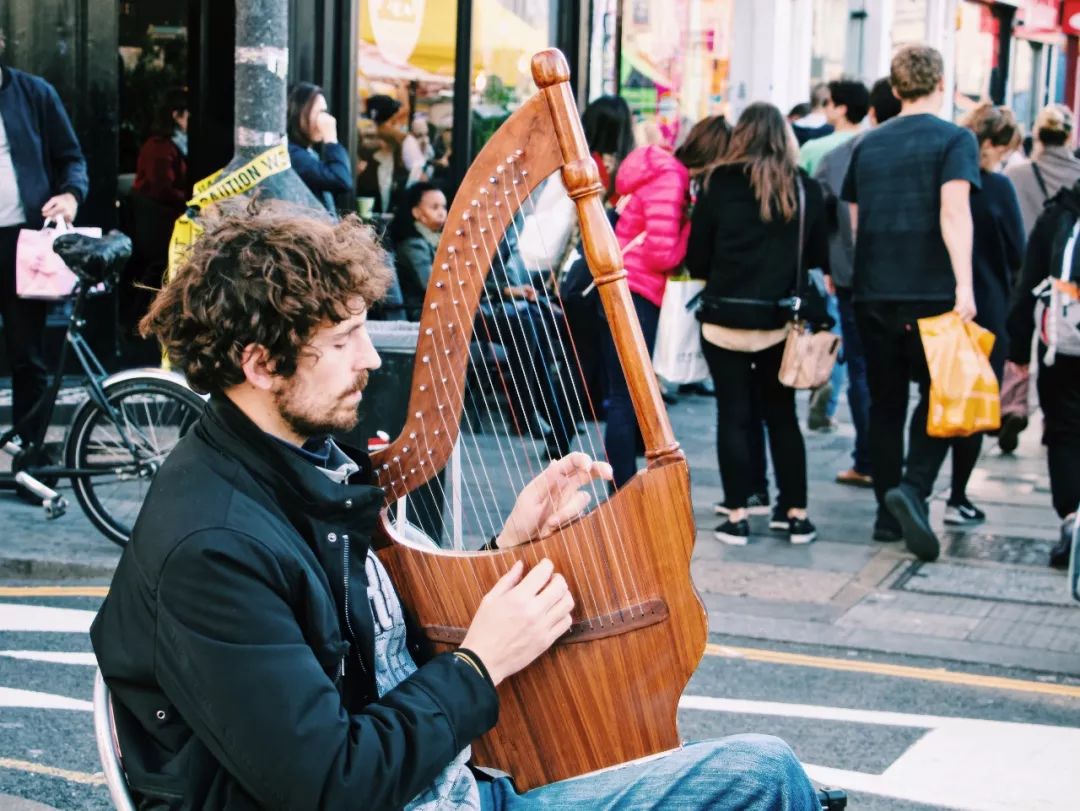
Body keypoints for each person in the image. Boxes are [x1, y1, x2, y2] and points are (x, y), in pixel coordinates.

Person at [89, 204, 820, 810]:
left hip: (454, 782)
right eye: (343, 340)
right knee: (764, 780)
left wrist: (509, 538)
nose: (371, 359)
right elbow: (328, 783)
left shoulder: (299, 462)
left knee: (768, 777)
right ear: (258, 362)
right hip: (414, 795)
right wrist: (479, 662)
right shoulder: (214, 548)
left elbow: (375, 652)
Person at [841, 44, 980, 561]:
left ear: (895, 90)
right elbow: (954, 212)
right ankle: (914, 488)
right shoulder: (955, 139)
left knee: (886, 404)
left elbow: (856, 223)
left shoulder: (868, 145)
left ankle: (885, 513)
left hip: (874, 292)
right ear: (941, 83)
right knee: (943, 397)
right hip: (932, 293)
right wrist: (964, 286)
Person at [688, 102, 829, 546]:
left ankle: (737, 513)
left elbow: (697, 261)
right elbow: (817, 258)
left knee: (733, 414)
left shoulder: (716, 183)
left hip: (723, 319)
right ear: (784, 137)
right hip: (779, 322)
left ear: (741, 135)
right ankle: (795, 513)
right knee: (781, 416)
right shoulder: (805, 188)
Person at [815, 77, 901, 488]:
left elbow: (823, 218)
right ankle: (896, 467)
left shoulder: (841, 155)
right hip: (909, 282)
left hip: (853, 279)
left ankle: (869, 460)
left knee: (864, 370)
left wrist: (829, 267)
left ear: (871, 111)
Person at [0, 51, 89, 443]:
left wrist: (70, 196)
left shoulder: (34, 93)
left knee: (28, 356)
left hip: (22, 243)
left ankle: (30, 455)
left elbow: (72, 159)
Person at [602, 132, 699, 486]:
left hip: (622, 290)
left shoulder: (652, 175)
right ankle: (623, 491)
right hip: (640, 293)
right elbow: (662, 255)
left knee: (623, 396)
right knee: (627, 398)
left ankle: (623, 486)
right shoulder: (671, 179)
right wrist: (689, 231)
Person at [945, 104, 1025, 526]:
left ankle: (916, 489)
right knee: (975, 407)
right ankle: (957, 495)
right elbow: (1018, 252)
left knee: (936, 399)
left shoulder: (947, 184)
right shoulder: (996, 188)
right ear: (991, 144)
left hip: (943, 304)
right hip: (988, 306)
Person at [1007, 180, 1080, 570]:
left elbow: (1027, 284)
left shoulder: (1057, 215)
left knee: (1064, 431)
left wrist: (1018, 351)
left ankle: (1072, 521)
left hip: (1061, 346)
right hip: (1060, 345)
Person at [1000, 104, 1080, 454]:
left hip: (1022, 269)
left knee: (1019, 341)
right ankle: (1054, 419)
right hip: (1064, 278)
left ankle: (1013, 405)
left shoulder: (1016, 175)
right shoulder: (1076, 176)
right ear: (1069, 136)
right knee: (1057, 341)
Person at [800, 79, 871, 434]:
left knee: (830, 329)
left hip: (831, 258)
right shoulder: (873, 144)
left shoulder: (818, 150)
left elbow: (809, 204)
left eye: (829, 102)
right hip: (869, 263)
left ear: (841, 108)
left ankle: (824, 392)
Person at [287, 82, 353, 215]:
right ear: (300, 113)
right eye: (320, 112)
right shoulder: (291, 154)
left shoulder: (307, 152)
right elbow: (341, 179)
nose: (326, 119)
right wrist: (331, 139)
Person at [390, 181, 446, 319]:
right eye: (434, 207)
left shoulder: (435, 239)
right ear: (416, 212)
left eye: (444, 207)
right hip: (422, 313)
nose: (442, 213)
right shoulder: (414, 245)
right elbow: (432, 286)